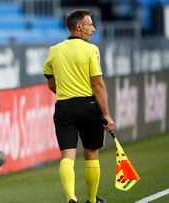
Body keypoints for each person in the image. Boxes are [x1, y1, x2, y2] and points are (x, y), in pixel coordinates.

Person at [43, 9, 115, 203]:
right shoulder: (91, 50)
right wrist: (107, 114)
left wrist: (68, 92)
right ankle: (92, 200)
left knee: (67, 155)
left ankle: (71, 198)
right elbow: (98, 84)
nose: (93, 28)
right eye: (90, 24)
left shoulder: (54, 50)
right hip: (89, 106)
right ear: (79, 27)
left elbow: (51, 83)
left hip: (64, 107)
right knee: (91, 154)